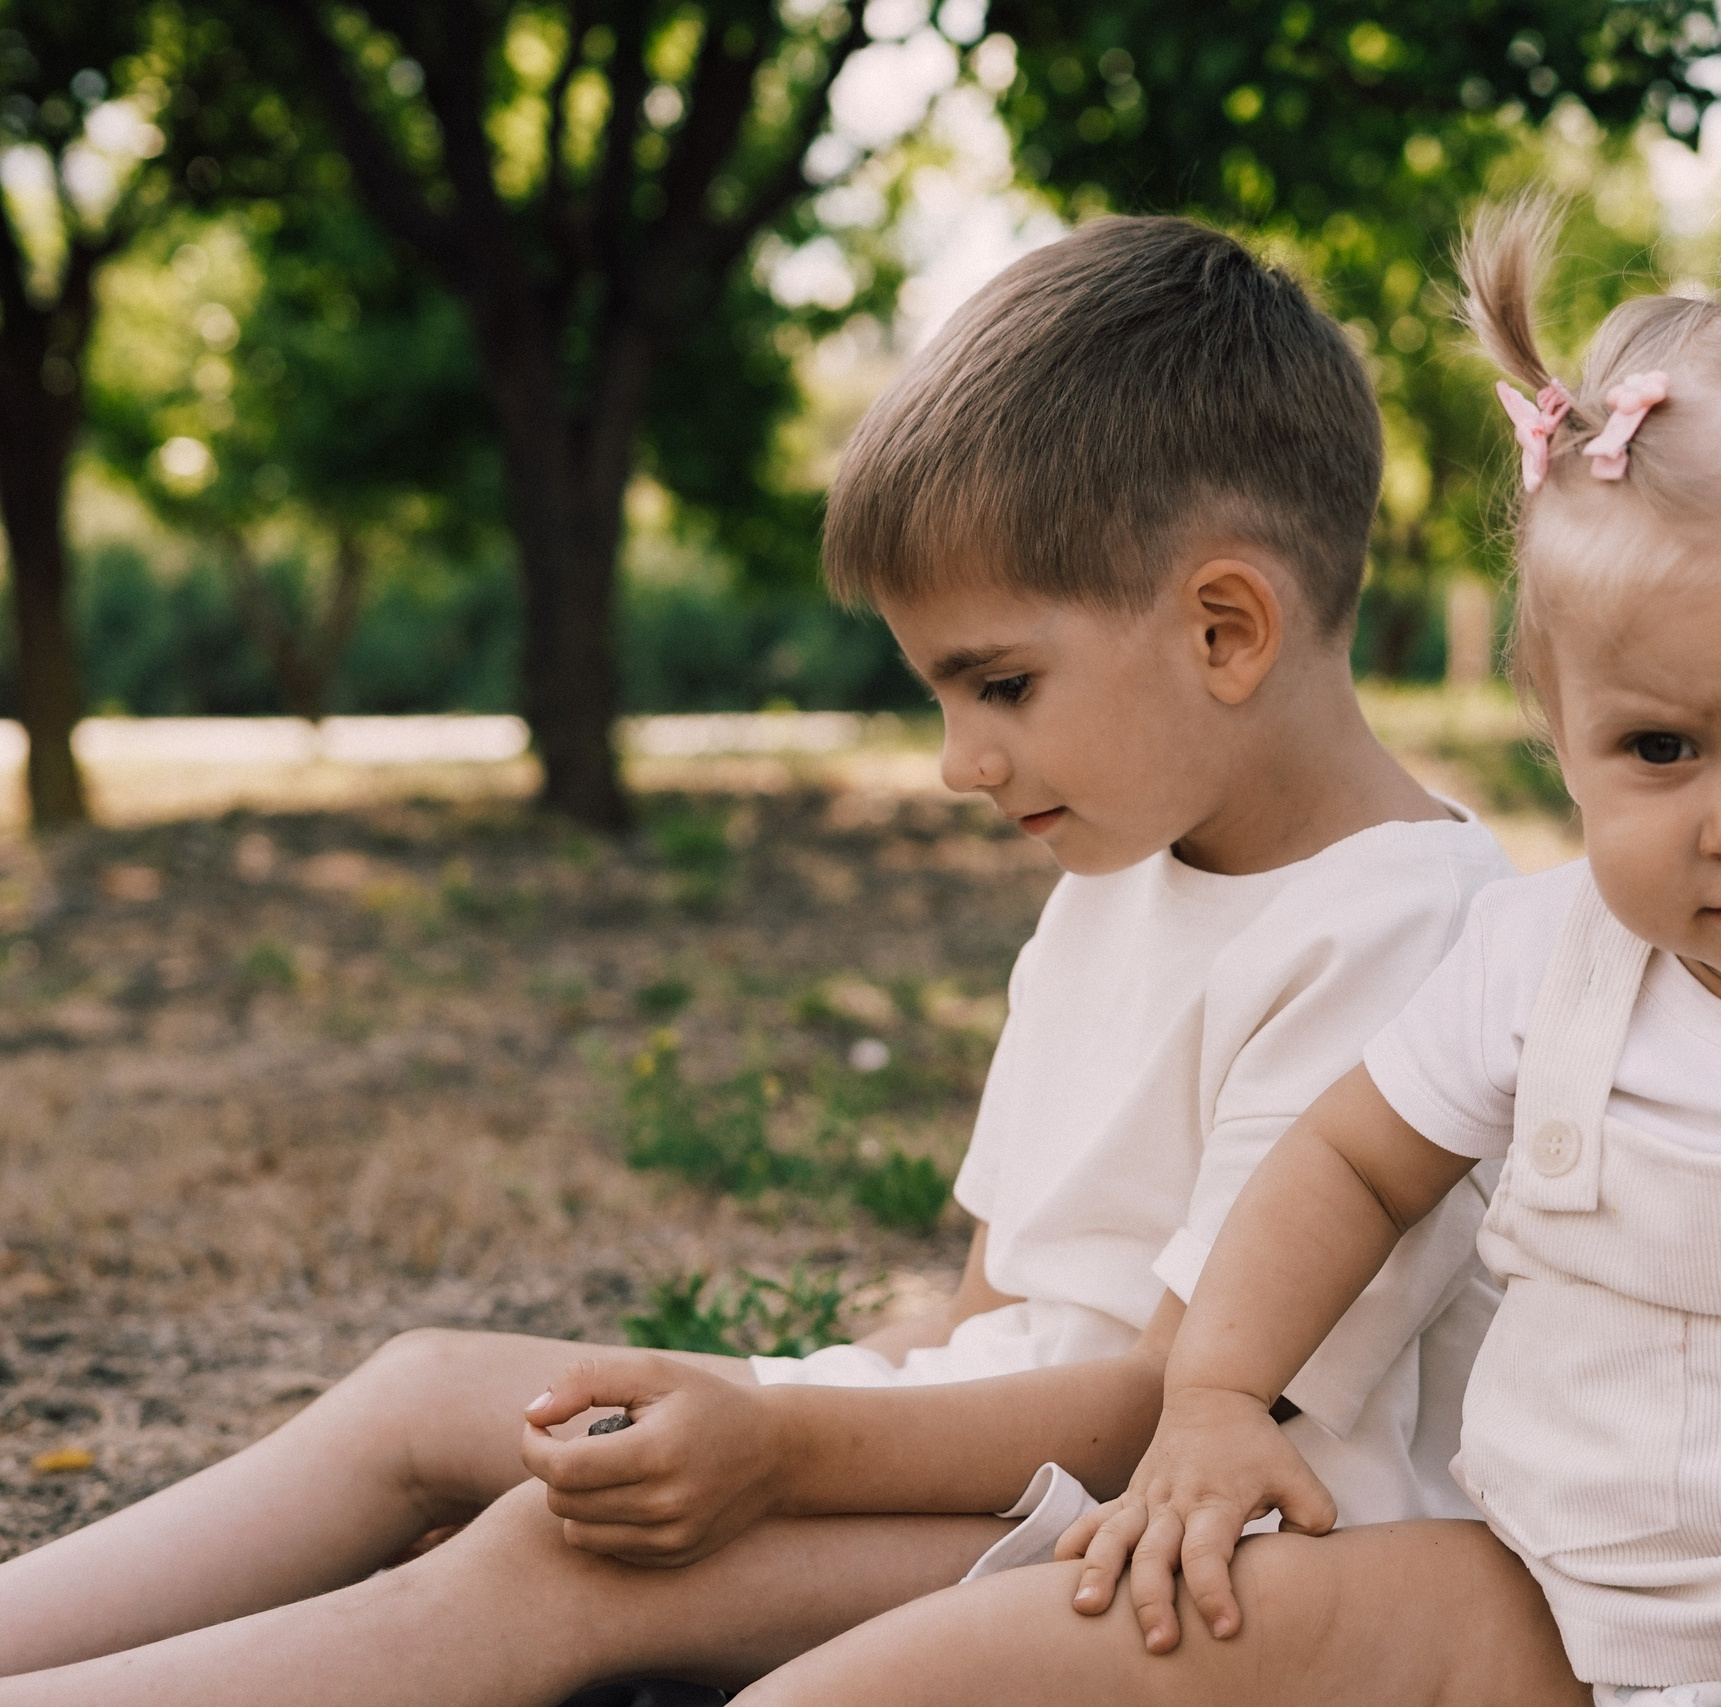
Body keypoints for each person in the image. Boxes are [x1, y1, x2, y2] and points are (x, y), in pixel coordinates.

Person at [727, 204, 1721, 1707]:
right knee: (1129, 1631)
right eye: (1662, 747)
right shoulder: (1531, 958)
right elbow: (1346, 1168)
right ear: (1561, 733)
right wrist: (1216, 1400)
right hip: (1533, 1603)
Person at [0, 216, 1514, 1707]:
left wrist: (775, 1448)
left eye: (999, 683)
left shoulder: (1404, 929)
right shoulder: (1124, 857)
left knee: (559, 1555)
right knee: (424, 1393)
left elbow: (1159, 1405)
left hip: (1184, 1540)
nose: (956, 763)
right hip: (1001, 1463)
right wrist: (750, 1414)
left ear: (1227, 627)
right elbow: (989, 1313)